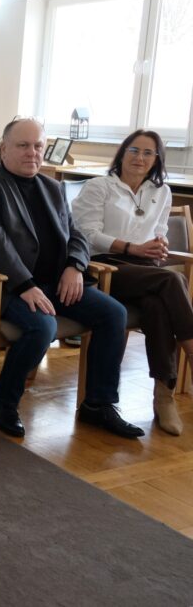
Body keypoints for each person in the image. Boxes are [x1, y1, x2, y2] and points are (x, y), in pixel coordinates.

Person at [0, 118, 142, 439]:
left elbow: (78, 235)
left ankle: (98, 405)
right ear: (4, 148)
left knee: (114, 313)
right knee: (42, 325)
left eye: (38, 146)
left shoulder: (52, 187)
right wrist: (25, 284)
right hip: (0, 284)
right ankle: (5, 401)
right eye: (23, 145)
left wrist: (75, 265)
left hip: (54, 283)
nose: (33, 152)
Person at [71, 129, 190, 436]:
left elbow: (159, 228)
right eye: (134, 150)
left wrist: (159, 243)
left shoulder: (160, 191)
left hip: (147, 271)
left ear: (156, 160)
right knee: (172, 281)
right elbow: (86, 234)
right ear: (122, 153)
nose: (140, 158)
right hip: (105, 265)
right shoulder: (100, 186)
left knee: (158, 306)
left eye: (148, 153)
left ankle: (163, 397)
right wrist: (130, 247)